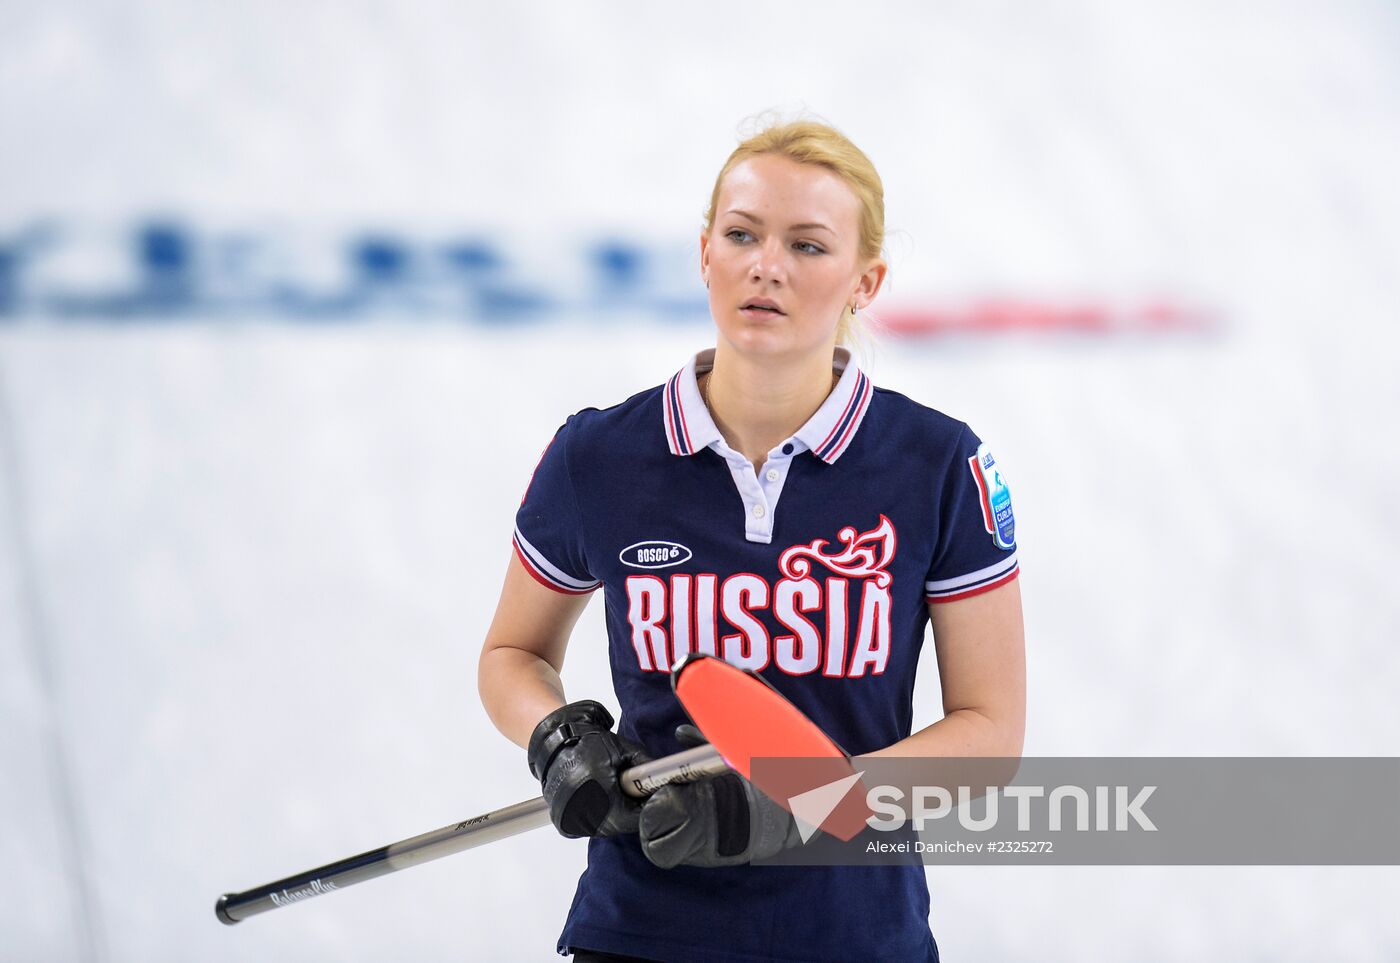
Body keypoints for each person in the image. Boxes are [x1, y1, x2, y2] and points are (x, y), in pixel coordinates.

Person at [478, 119, 1025, 963]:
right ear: (705, 254)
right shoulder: (601, 455)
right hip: (642, 932)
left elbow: (988, 735)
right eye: (741, 235)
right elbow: (513, 652)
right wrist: (559, 738)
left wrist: (811, 800)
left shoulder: (940, 464)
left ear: (864, 282)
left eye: (808, 246)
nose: (766, 264)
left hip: (854, 936)